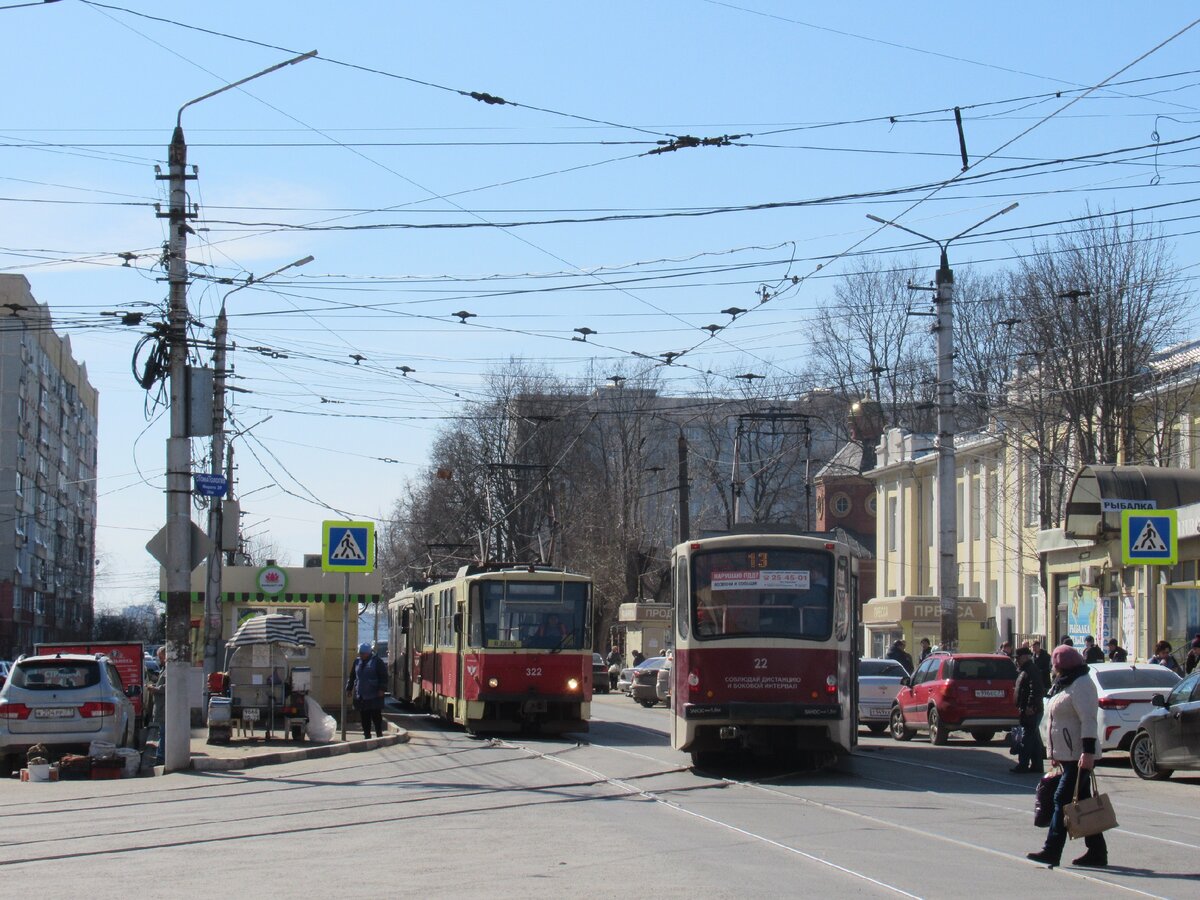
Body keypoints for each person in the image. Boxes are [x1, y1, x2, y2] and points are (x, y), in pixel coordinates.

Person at [1026, 645, 1108, 869]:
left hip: (1079, 756)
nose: (1053, 668)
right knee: (1084, 802)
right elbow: (1058, 720)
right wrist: (1054, 753)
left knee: (1061, 800)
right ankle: (1097, 851)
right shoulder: (1065, 684)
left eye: (1056, 665)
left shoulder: (1081, 684)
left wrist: (1088, 752)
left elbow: (1088, 720)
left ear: (1065, 665)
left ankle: (1052, 851)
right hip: (1068, 755)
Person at [1011, 646, 1045, 774]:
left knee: (1027, 737)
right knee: (1034, 738)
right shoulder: (1024, 670)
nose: (1017, 660)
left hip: (1031, 710)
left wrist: (1031, 706)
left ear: (1025, 657)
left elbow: (1035, 689)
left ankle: (1023, 764)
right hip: (1026, 708)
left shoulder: (1031, 670)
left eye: (1018, 658)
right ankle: (1037, 765)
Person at [345, 642, 388, 739]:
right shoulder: (357, 662)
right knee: (364, 716)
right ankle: (367, 735)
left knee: (376, 716)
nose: (361, 655)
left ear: (369, 653)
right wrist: (349, 688)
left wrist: (382, 689)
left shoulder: (377, 662)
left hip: (374, 694)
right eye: (360, 653)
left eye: (363, 653)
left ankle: (379, 734)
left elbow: (383, 677)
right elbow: (352, 676)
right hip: (361, 694)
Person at [147, 646, 167, 765]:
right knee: (162, 732)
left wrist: (154, 689)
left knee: (163, 733)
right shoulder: (164, 668)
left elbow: (167, 687)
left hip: (164, 707)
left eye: (160, 657)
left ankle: (161, 758)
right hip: (161, 706)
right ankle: (161, 756)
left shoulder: (169, 669)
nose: (159, 660)